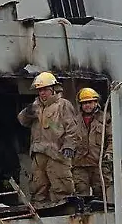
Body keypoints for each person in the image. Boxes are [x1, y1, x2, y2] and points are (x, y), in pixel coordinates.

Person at [18, 71, 79, 204]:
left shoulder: (63, 105)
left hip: (57, 153)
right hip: (38, 153)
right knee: (38, 186)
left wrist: (69, 145)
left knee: (61, 185)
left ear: (53, 89)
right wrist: (28, 112)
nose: (42, 93)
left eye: (45, 90)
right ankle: (41, 209)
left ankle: (64, 210)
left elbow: (72, 129)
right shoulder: (36, 106)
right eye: (40, 90)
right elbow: (22, 120)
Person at [72, 87, 113, 199]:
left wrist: (109, 153)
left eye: (90, 102)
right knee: (81, 194)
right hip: (80, 164)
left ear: (96, 102)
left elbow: (112, 138)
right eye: (84, 103)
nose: (87, 105)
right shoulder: (74, 121)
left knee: (101, 194)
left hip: (98, 164)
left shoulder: (105, 118)